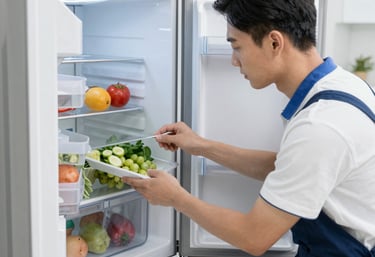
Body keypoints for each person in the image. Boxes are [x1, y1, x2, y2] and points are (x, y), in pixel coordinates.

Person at [122, 0, 375, 256]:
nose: (234, 61)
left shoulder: (320, 126)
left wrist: (176, 198)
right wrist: (201, 146)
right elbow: (287, 167)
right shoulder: (342, 84)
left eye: (237, 46)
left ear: (274, 43)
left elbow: (254, 236)